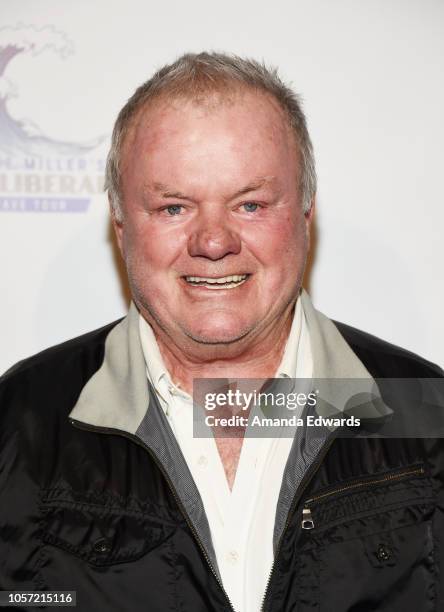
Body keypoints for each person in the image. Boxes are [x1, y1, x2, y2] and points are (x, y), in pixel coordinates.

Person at [0, 52, 443, 612]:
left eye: (250, 204)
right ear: (120, 221)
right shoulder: (18, 423)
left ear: (306, 212)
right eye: (173, 207)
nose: (213, 242)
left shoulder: (427, 413)